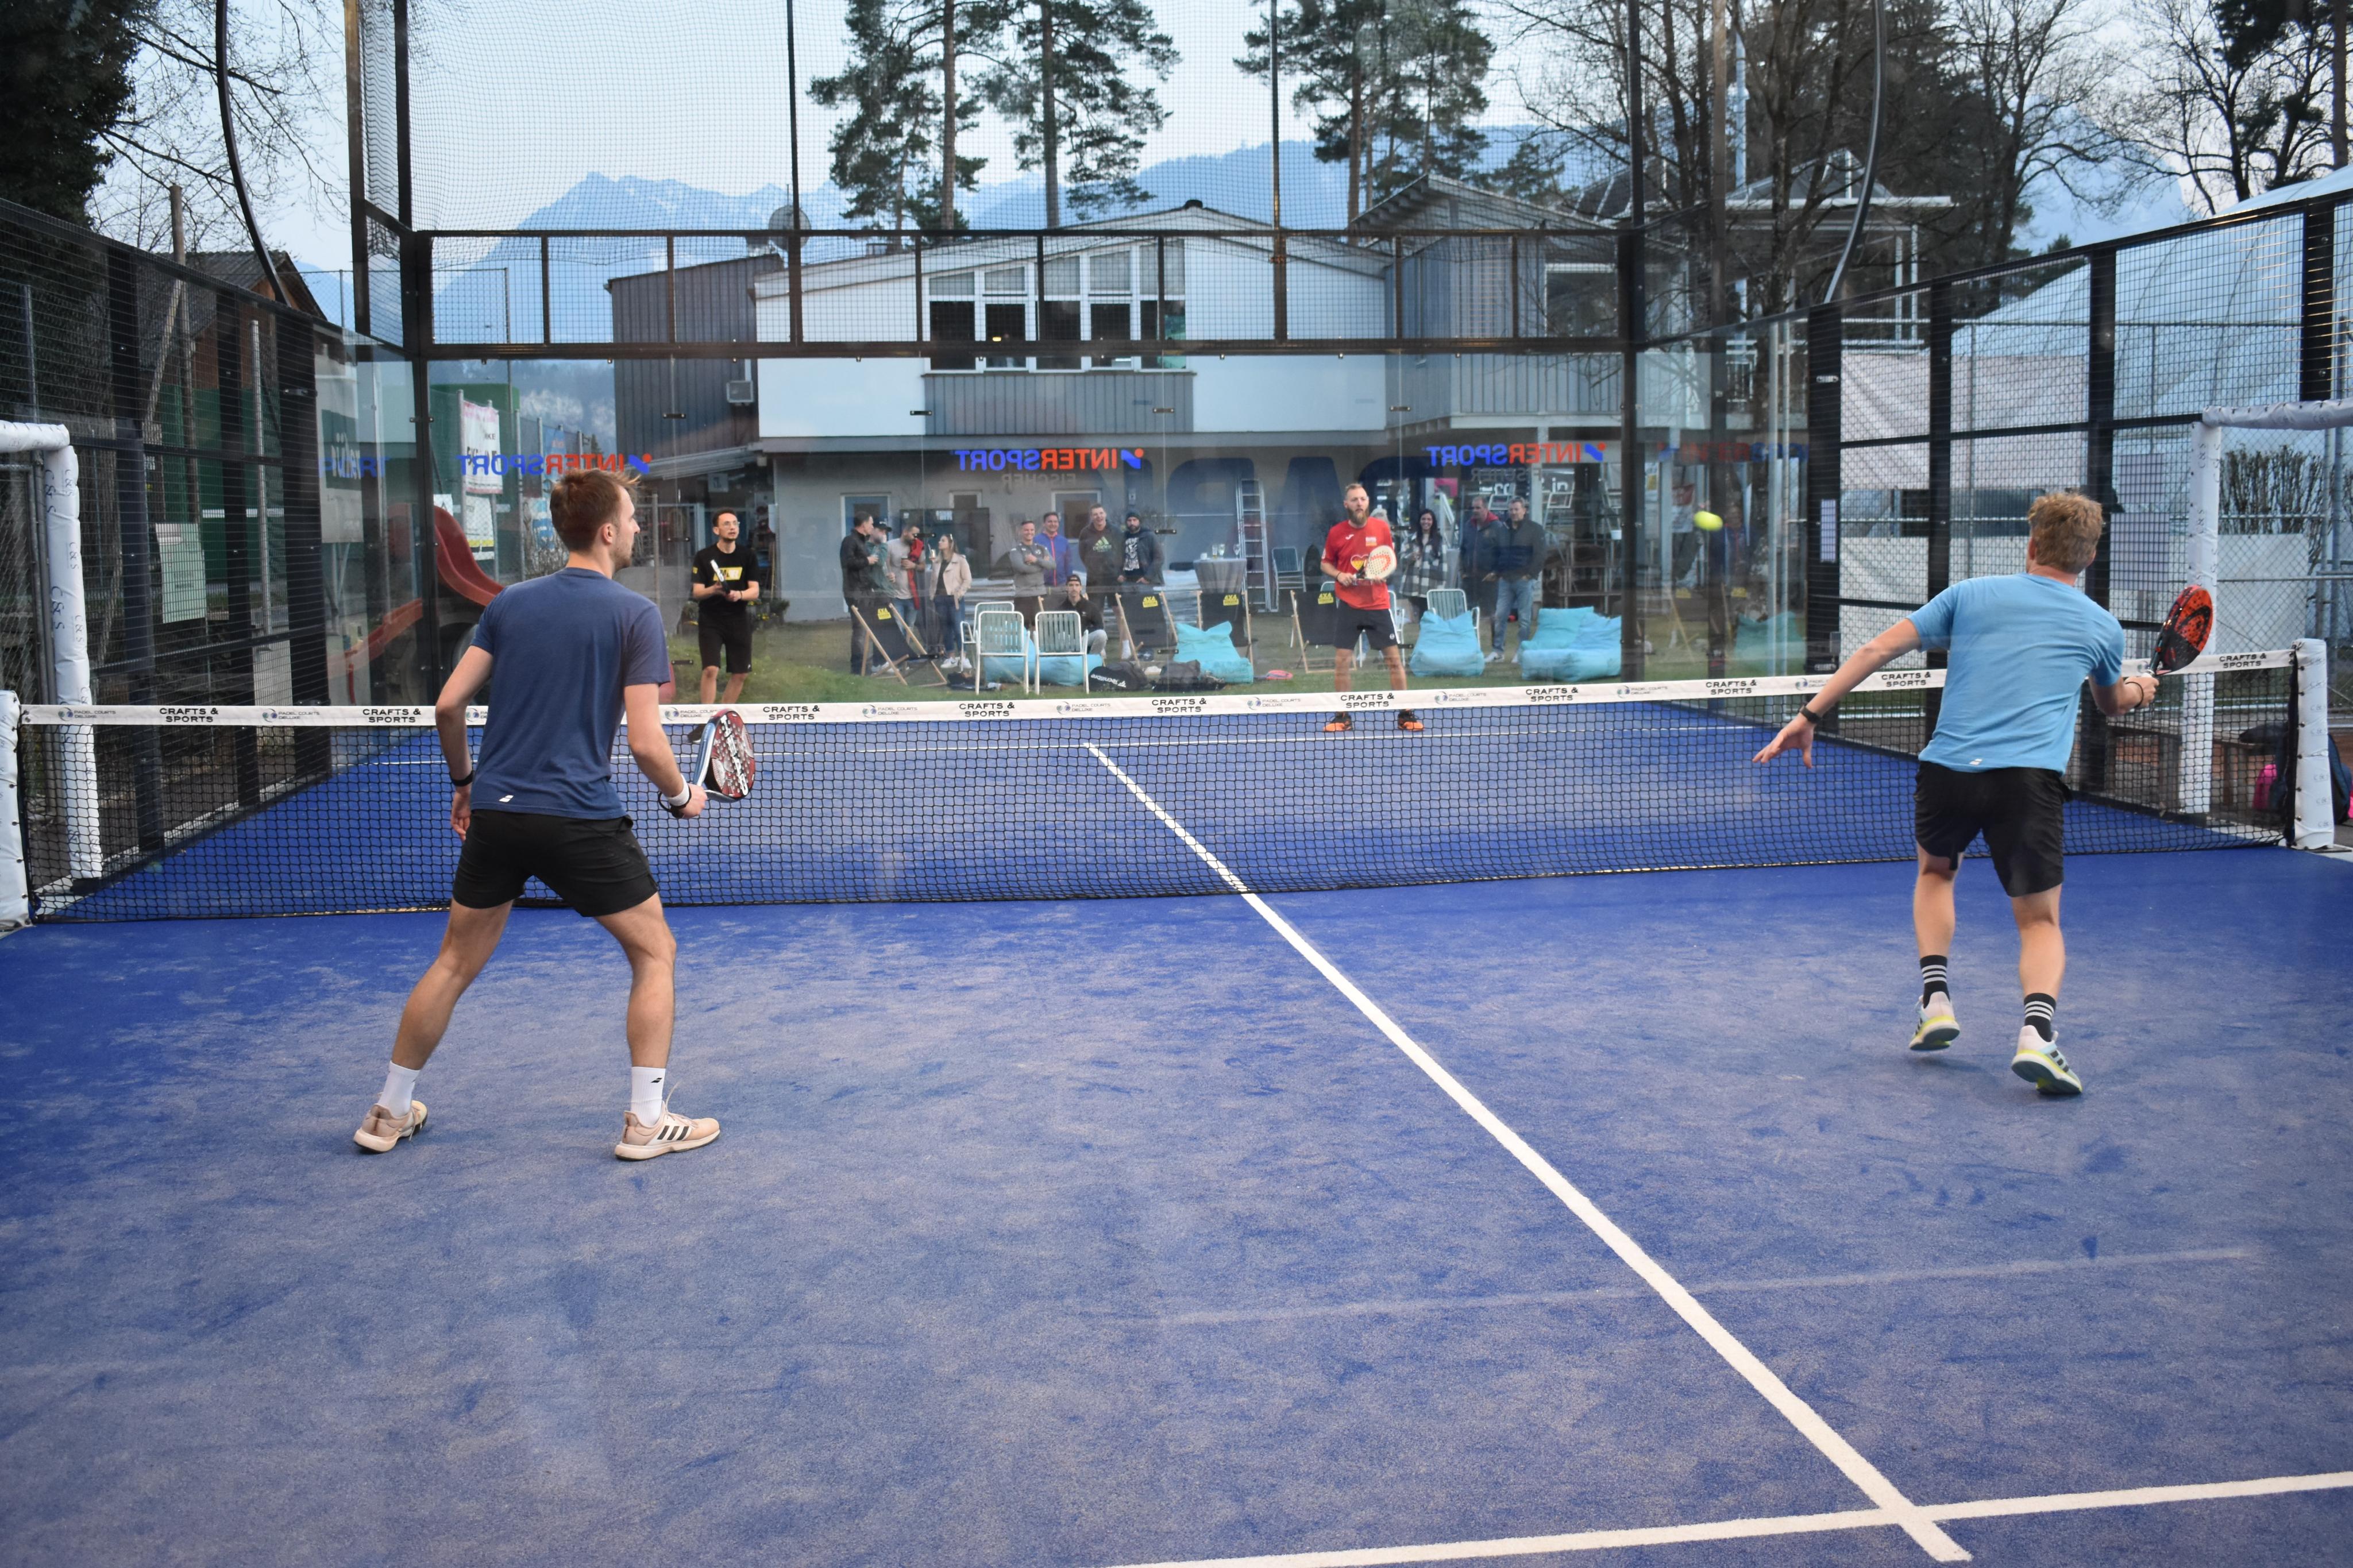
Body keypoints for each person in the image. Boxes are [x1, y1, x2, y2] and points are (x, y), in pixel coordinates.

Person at [353, 468, 719, 1162]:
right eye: (632, 518)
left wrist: (465, 783)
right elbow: (647, 743)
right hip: (579, 818)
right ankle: (646, 1122)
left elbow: (448, 706)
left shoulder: (510, 604)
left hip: (497, 815)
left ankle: (388, 1111)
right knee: (655, 953)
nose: (638, 527)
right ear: (606, 531)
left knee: (453, 962)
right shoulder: (635, 614)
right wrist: (682, 796)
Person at [1753, 491, 2162, 1098]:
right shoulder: (2101, 626)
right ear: (2090, 556)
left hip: (1948, 773)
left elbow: (1874, 650)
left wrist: (1808, 715)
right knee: (2039, 921)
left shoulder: (1969, 595)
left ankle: (1936, 1000)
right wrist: (2141, 689)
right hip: (2028, 783)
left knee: (1936, 874)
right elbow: (2110, 703)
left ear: (2032, 543)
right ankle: (2037, 1036)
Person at [1320, 481, 1419, 734]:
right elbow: (1326, 564)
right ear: (1347, 504)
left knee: (1394, 661)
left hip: (1378, 605)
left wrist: (1381, 575)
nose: (1359, 503)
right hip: (1349, 605)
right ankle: (1342, 717)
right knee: (1342, 662)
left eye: (1363, 499)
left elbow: (1389, 561)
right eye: (1354, 500)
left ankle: (1405, 714)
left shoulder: (1382, 528)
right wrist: (1339, 575)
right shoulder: (1336, 533)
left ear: (1368, 502)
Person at [690, 509, 759, 704]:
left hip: (738, 619)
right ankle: (706, 716)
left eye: (735, 523)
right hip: (711, 620)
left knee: (741, 673)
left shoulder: (748, 556)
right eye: (727, 524)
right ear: (716, 530)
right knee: (711, 669)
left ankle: (722, 714)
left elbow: (754, 591)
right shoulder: (704, 556)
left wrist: (739, 595)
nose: (732, 528)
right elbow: (697, 592)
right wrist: (714, 590)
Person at [1487, 497, 1550, 663]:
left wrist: (1530, 575)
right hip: (1505, 580)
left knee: (1524, 618)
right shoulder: (1503, 529)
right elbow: (1497, 553)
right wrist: (1496, 572)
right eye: (1511, 510)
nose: (1513, 513)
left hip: (1524, 580)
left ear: (1524, 510)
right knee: (1500, 616)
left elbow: (1540, 555)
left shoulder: (1534, 529)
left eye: (1516, 509)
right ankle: (1498, 652)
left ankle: (1521, 651)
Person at [838, 513, 889, 673]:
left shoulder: (862, 542)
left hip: (866, 590)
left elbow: (865, 571)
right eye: (871, 524)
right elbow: (847, 563)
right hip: (855, 591)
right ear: (864, 524)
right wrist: (868, 560)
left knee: (868, 629)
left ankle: (868, 664)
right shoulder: (850, 541)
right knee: (860, 629)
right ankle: (858, 668)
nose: (873, 527)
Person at [1394, 505, 1453, 635]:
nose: (1426, 522)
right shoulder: (1410, 539)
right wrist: (1411, 557)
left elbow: (1444, 565)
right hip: (1413, 585)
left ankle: (1428, 637)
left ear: (1433, 522)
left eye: (1429, 519)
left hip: (1431, 586)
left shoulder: (1439, 540)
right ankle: (1425, 637)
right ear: (1419, 521)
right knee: (1421, 614)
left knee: (1428, 613)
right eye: (1423, 519)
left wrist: (1441, 587)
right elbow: (1401, 560)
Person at [928, 533, 972, 668]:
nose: (940, 543)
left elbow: (968, 579)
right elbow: (934, 580)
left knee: (958, 628)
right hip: (940, 598)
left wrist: (959, 594)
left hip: (954, 599)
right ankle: (951, 657)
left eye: (943, 540)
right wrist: (933, 596)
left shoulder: (960, 560)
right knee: (946, 628)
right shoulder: (937, 562)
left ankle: (963, 657)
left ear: (950, 544)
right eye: (940, 540)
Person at [998, 519, 1051, 621]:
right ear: (1020, 531)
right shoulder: (1015, 551)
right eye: (1026, 530)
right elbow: (1022, 568)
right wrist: (1042, 565)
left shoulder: (1041, 549)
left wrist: (1036, 560)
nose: (1029, 532)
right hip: (1023, 595)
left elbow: (1052, 565)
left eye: (1032, 530)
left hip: (1040, 593)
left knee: (1040, 625)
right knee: (1023, 626)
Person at [1459, 500, 1496, 632]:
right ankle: (1471, 641)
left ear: (1486, 509)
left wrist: (1496, 573)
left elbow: (1503, 552)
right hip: (1470, 578)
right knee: (1469, 613)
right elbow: (1463, 550)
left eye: (1478, 508)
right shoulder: (1468, 526)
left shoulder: (1496, 526)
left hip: (1489, 579)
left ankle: (1496, 642)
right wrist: (1462, 571)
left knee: (1493, 614)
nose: (1475, 511)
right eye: (1473, 508)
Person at [889, 520, 927, 640]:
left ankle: (908, 649)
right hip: (896, 594)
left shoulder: (918, 546)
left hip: (913, 595)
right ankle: (901, 650)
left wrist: (914, 565)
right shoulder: (891, 545)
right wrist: (889, 575)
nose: (916, 538)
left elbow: (923, 566)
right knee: (899, 627)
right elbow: (885, 566)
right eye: (914, 535)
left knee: (910, 627)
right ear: (905, 532)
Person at [1053, 574, 1109, 655]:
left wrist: (1085, 633)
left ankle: (1092, 658)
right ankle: (1070, 659)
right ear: (1066, 588)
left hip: (1085, 638)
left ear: (1081, 588)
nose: (1074, 588)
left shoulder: (1091, 607)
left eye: (1077, 585)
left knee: (1102, 635)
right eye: (1071, 585)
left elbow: (1100, 626)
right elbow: (1056, 630)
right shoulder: (1060, 609)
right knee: (1061, 636)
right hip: (1068, 641)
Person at [1075, 505, 1121, 587]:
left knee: (1116, 597)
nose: (1099, 516)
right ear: (1091, 517)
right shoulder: (1085, 533)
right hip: (1093, 579)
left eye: (1101, 513)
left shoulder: (1115, 531)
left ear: (1105, 514)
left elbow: (1121, 552)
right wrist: (1092, 567)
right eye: (1095, 514)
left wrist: (1119, 571)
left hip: (1113, 577)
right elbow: (1083, 554)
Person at [1117, 509, 1162, 585]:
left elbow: (1159, 558)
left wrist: (1148, 577)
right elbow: (1117, 559)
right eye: (1129, 520)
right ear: (1126, 522)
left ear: (1139, 521)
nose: (1132, 523)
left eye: (1135, 520)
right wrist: (1119, 574)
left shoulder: (1149, 536)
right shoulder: (1122, 538)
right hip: (1127, 582)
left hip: (1146, 582)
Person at [1038, 511, 1077, 587]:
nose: (1053, 524)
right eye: (1050, 522)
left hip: (1062, 584)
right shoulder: (1036, 541)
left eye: (1056, 522)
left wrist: (1070, 581)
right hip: (1042, 585)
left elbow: (1068, 564)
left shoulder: (1064, 541)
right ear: (1044, 524)